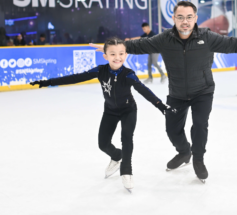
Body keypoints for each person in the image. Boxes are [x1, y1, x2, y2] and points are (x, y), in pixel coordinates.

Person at [90, 1, 237, 182]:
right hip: (177, 93)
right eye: (180, 17)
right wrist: (112, 48)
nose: (185, 21)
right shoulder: (165, 39)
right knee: (172, 129)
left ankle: (198, 160)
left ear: (195, 18)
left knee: (200, 125)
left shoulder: (207, 37)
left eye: (189, 17)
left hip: (203, 91)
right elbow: (139, 45)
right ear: (173, 18)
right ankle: (185, 152)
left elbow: (235, 43)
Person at [30, 37, 173, 192]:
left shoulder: (128, 74)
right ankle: (117, 156)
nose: (117, 57)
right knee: (103, 144)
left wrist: (162, 107)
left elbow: (145, 92)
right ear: (105, 56)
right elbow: (76, 77)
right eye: (112, 54)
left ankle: (126, 171)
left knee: (126, 138)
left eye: (121, 53)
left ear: (126, 55)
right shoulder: (101, 70)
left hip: (128, 110)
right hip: (110, 111)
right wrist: (48, 82)